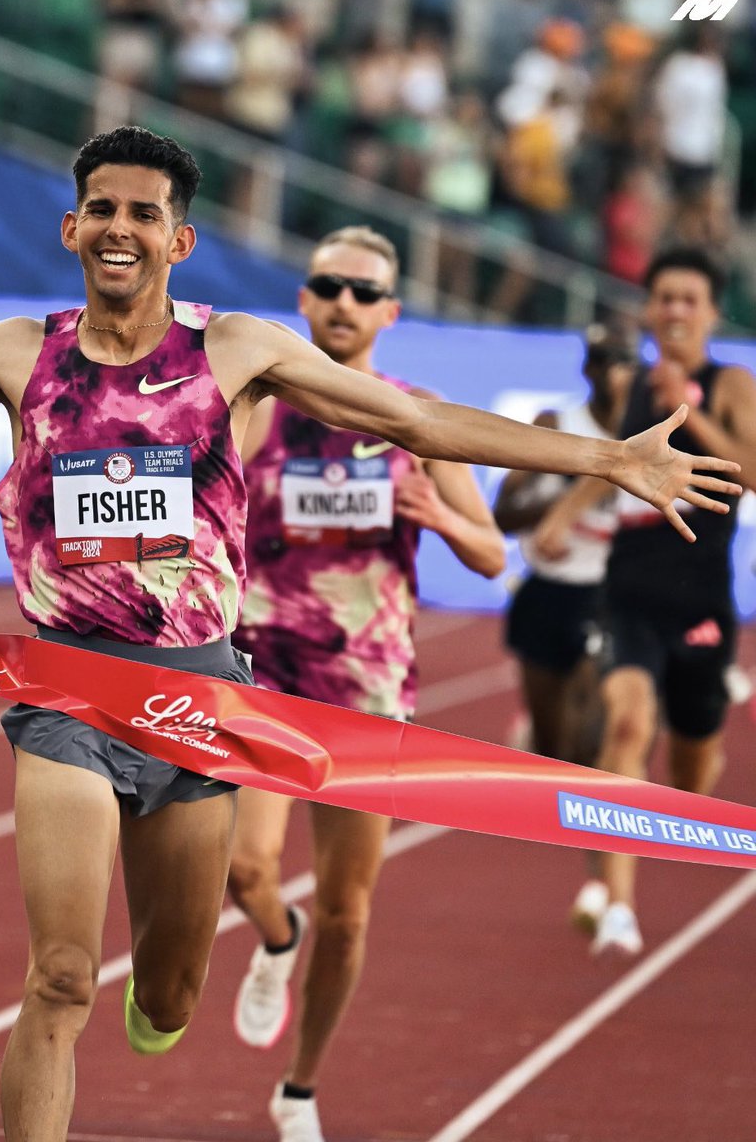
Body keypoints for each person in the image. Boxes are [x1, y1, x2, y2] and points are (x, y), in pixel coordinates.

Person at [0, 130, 740, 1142]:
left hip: (198, 698)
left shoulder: (233, 353)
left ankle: (160, 997)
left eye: (143, 213)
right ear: (72, 227)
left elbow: (417, 424)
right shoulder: (17, 353)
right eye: (102, 209)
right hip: (67, 692)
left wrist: (602, 459)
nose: (120, 228)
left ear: (180, 240)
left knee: (170, 992)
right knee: (62, 975)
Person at [226, 225, 506, 1142]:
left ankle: (300, 1089)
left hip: (368, 694)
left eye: (362, 291)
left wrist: (438, 513)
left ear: (389, 312)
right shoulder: (259, 407)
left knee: (347, 914)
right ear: (303, 301)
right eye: (326, 285)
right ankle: (275, 933)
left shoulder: (416, 418)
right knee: (244, 867)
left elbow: (493, 553)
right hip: (265, 675)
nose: (342, 303)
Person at [533, 246, 756, 958]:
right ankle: (619, 905)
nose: (677, 311)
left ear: (712, 310)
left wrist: (685, 404)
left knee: (692, 769)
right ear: (650, 308)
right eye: (665, 298)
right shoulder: (633, 386)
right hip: (628, 593)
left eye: (691, 299)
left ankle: (665, 822)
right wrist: (563, 514)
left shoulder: (728, 382)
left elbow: (752, 474)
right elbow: (613, 464)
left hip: (698, 600)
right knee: (625, 725)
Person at [494, 320, 638, 932]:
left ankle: (601, 883)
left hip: (606, 598)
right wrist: (563, 501)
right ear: (588, 371)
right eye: (605, 360)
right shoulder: (557, 427)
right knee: (554, 748)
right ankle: (538, 734)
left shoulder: (649, 438)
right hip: (547, 593)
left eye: (626, 359)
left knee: (591, 735)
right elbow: (504, 513)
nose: (617, 371)